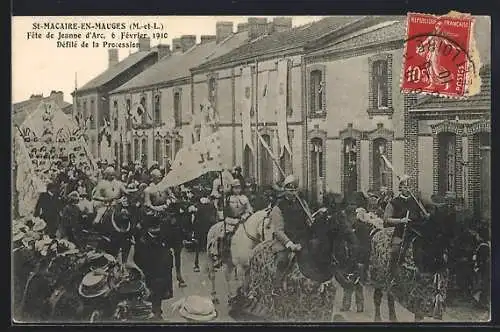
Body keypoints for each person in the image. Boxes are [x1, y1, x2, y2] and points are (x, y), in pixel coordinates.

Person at [269, 175, 312, 292]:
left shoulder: (302, 204)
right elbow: (278, 231)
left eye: (294, 190)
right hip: (285, 241)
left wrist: (311, 222)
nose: (292, 193)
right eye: (289, 190)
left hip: (302, 239)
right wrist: (290, 244)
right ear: (284, 191)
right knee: (283, 260)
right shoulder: (278, 208)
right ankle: (276, 288)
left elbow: (308, 221)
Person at [383, 175, 429, 280]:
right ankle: (392, 276)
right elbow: (387, 219)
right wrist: (401, 220)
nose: (408, 189)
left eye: (410, 187)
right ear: (400, 188)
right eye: (405, 187)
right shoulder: (394, 202)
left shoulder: (416, 201)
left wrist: (426, 216)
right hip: (401, 229)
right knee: (395, 250)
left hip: (416, 229)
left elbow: (422, 214)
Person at [215, 179, 253, 267]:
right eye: (235, 188)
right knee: (224, 236)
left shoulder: (244, 198)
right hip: (230, 221)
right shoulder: (228, 198)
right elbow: (222, 209)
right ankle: (222, 256)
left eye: (238, 188)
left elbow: (250, 210)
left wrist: (244, 216)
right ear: (232, 189)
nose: (237, 190)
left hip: (241, 221)